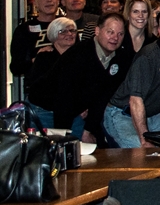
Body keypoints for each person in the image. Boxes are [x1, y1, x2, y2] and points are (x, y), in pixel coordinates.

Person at [28, 13, 131, 144]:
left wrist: (88, 130)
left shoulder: (119, 58)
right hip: (44, 108)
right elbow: (64, 98)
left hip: (73, 109)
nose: (115, 38)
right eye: (110, 32)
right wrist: (63, 138)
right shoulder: (78, 55)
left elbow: (102, 97)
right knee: (50, 152)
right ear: (97, 31)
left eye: (120, 34)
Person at [104, 11, 160, 148]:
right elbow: (135, 100)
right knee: (144, 151)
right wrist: (144, 139)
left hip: (152, 114)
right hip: (122, 113)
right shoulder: (147, 57)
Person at [11, 0, 60, 76]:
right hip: (38, 85)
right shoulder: (23, 30)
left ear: (58, 1)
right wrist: (37, 60)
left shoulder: (67, 26)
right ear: (35, 3)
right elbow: (16, 68)